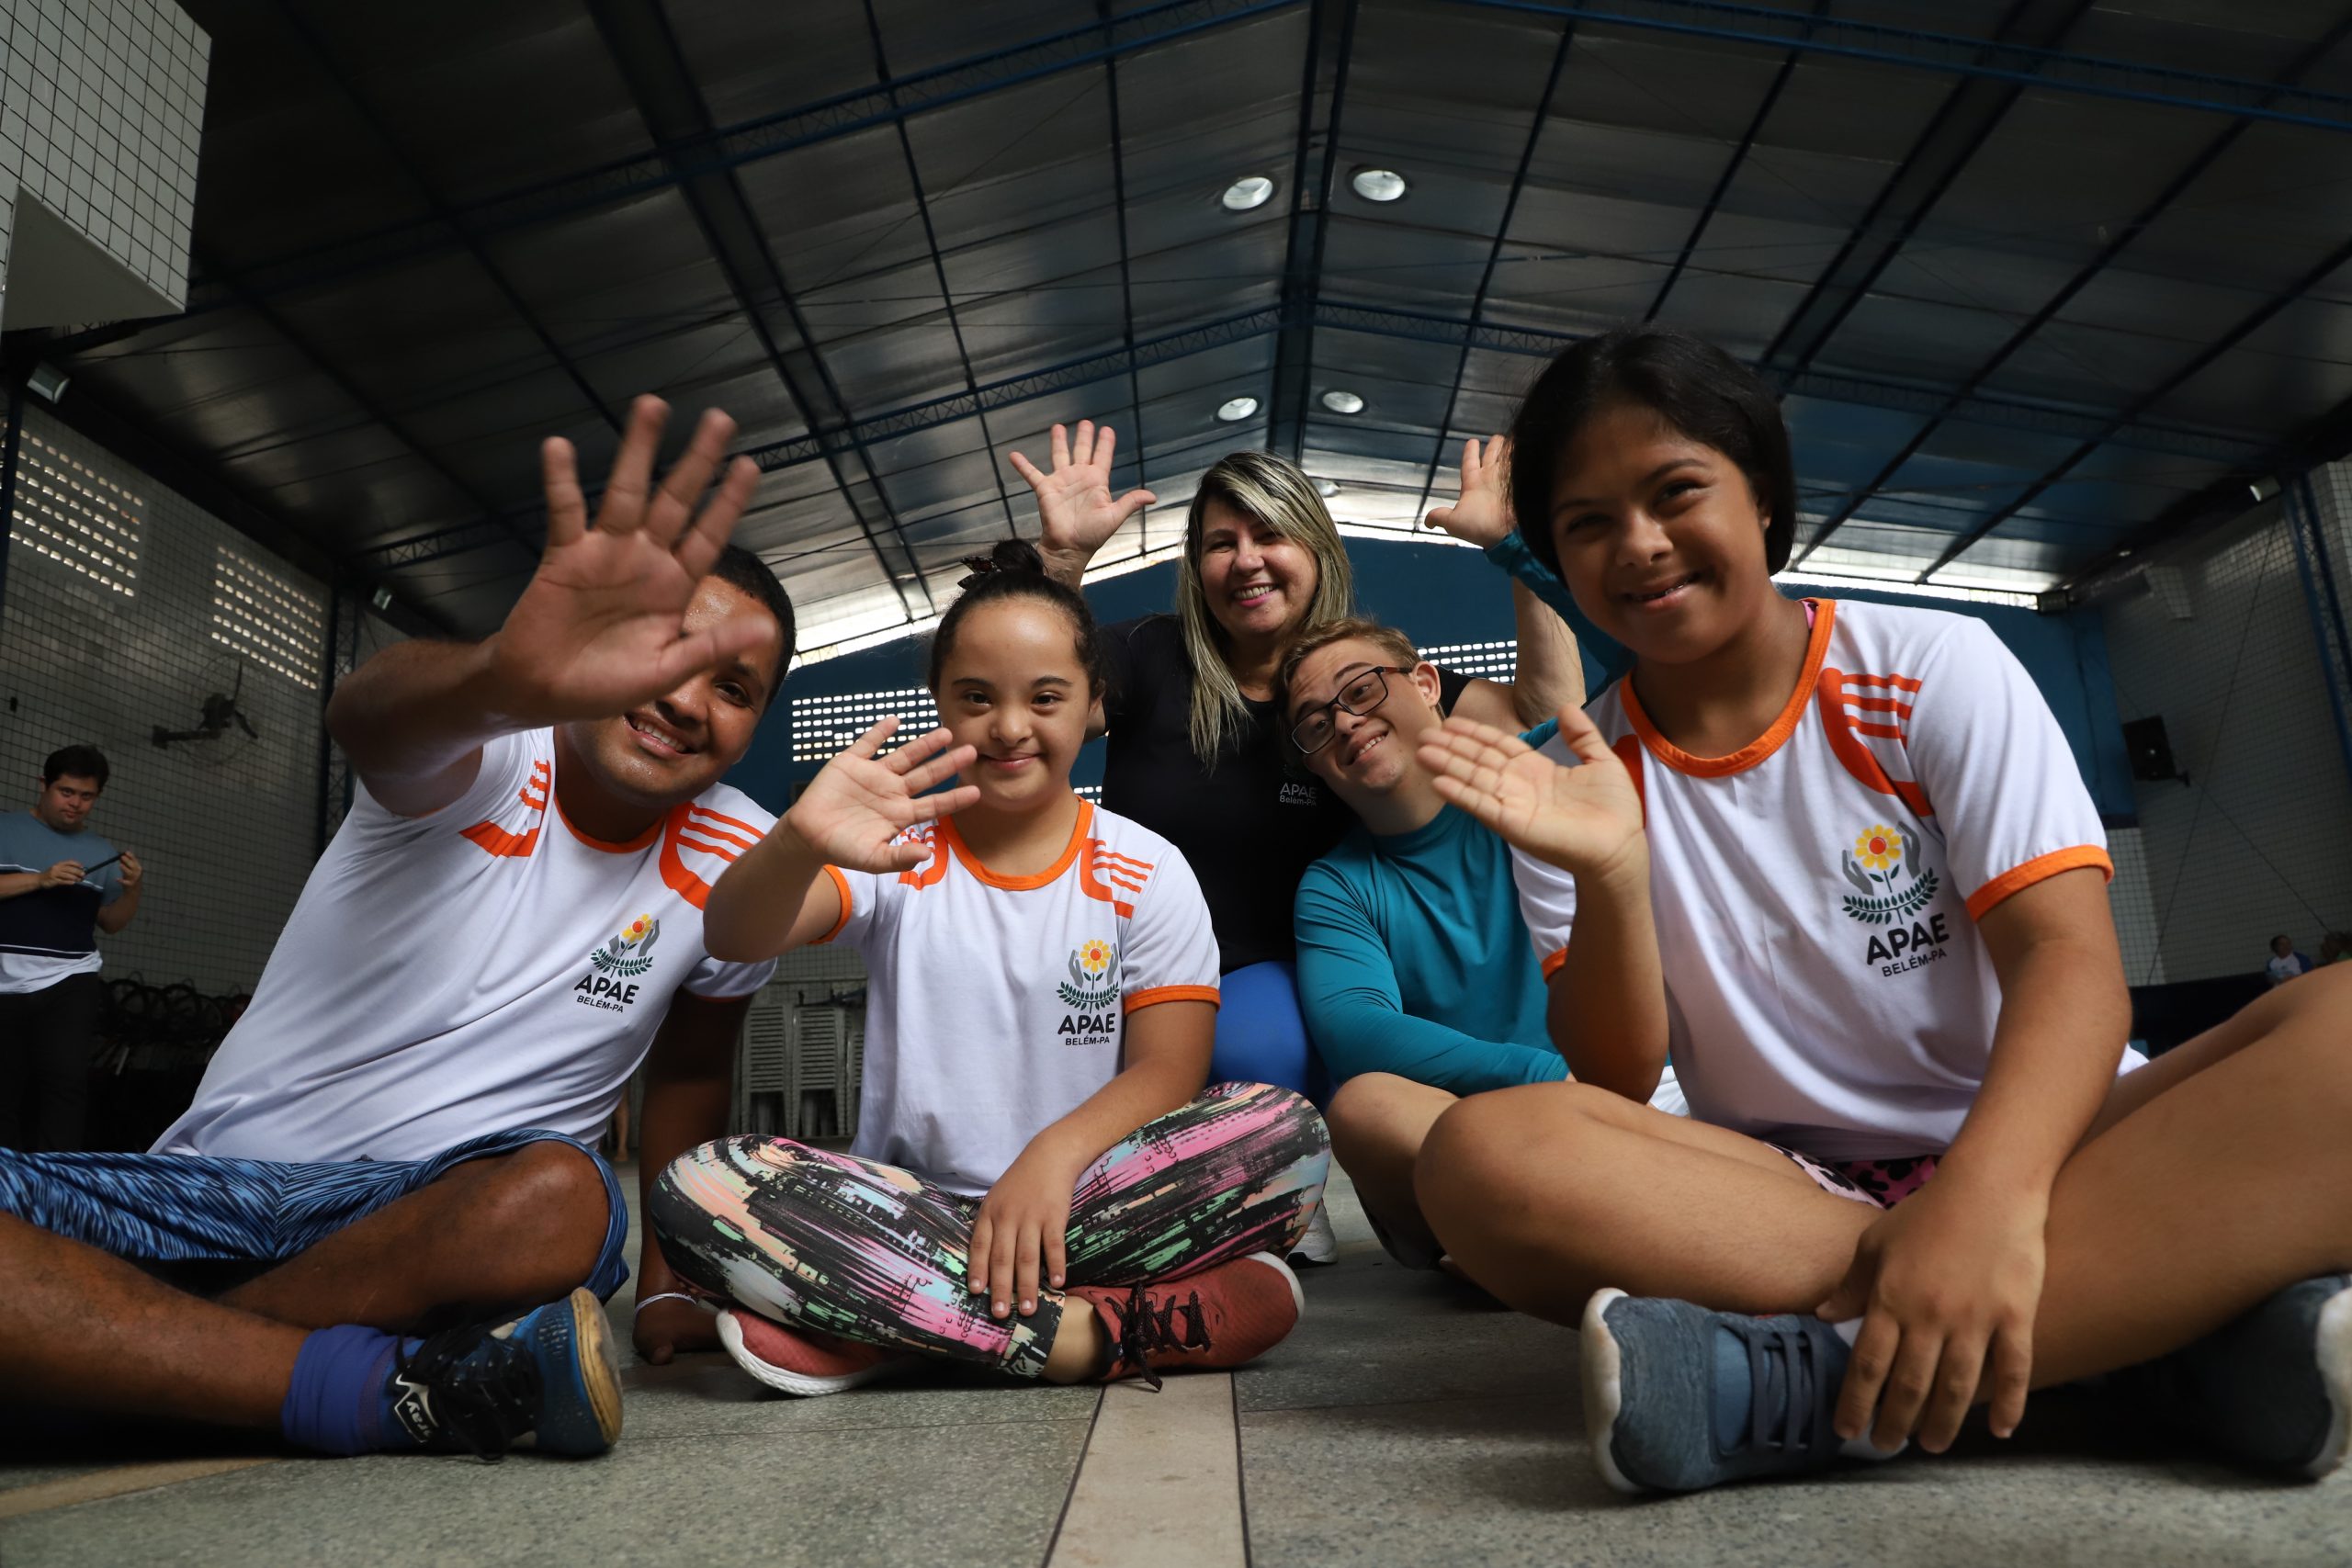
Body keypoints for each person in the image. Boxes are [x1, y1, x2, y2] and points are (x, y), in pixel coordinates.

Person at [1406, 324, 2352, 1495]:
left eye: (1674, 492)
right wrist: (1610, 875)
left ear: (1761, 496)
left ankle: (1816, 1383)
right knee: (1479, 1156)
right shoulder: (1586, 777)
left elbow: (2069, 966)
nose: (1639, 547)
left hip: (2054, 1146)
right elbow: (1611, 1075)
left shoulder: (1931, 668)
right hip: (1789, 1194)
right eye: (1587, 523)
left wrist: (1984, 1205)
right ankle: (2145, 1342)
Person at [0, 397, 788, 1461]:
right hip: (212, 1189)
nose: (688, 697)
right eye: (667, 648)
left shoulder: (746, 857)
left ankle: (137, 1356)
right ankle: (337, 1381)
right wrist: (502, 676)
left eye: (734, 687)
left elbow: (693, 1071)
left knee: (565, 1195)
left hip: (445, 1224)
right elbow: (371, 713)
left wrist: (666, 1296)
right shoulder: (498, 741)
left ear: (752, 729)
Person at [650, 540, 1330, 1397]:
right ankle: (1097, 1330)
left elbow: (1172, 1067)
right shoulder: (898, 853)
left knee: (1287, 1135)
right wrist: (795, 839)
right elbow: (735, 933)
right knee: (695, 1187)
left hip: (1081, 1200)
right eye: (977, 698)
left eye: (1046, 698)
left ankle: (890, 1322)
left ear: (1092, 706)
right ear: (940, 703)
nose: (1010, 727)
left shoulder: (1145, 868)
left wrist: (1052, 1157)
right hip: (906, 1208)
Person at [1012, 430, 1580, 1259]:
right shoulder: (1151, 655)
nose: (1247, 560)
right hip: (1144, 968)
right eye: (1220, 543)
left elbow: (1549, 709)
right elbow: (1035, 696)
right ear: (1194, 564)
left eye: (1270, 534)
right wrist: (1060, 560)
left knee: (1274, 1035)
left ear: (1315, 547)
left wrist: (1512, 549)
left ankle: (1279, 1170)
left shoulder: (1368, 681)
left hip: (1291, 977)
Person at [1276, 615, 1681, 1269]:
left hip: (1636, 1094)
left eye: (1360, 692)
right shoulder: (1337, 884)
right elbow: (1356, 1028)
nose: (1346, 723)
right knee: (1364, 1108)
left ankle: (1537, 1241)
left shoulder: (1536, 766)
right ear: (1314, 763)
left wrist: (1517, 548)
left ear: (1428, 682)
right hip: (1494, 1128)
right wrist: (1551, 1077)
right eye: (1318, 723)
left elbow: (1661, 665)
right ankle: (1545, 1228)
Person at [0, 745, 142, 1152]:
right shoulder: (5, 829)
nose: (75, 804)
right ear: (43, 784)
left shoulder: (101, 851)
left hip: (69, 977)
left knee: (65, 1082)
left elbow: (112, 923)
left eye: (86, 796)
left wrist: (134, 890)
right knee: (4, 1085)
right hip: (5, 979)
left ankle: (58, 1182)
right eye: (66, 792)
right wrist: (40, 880)